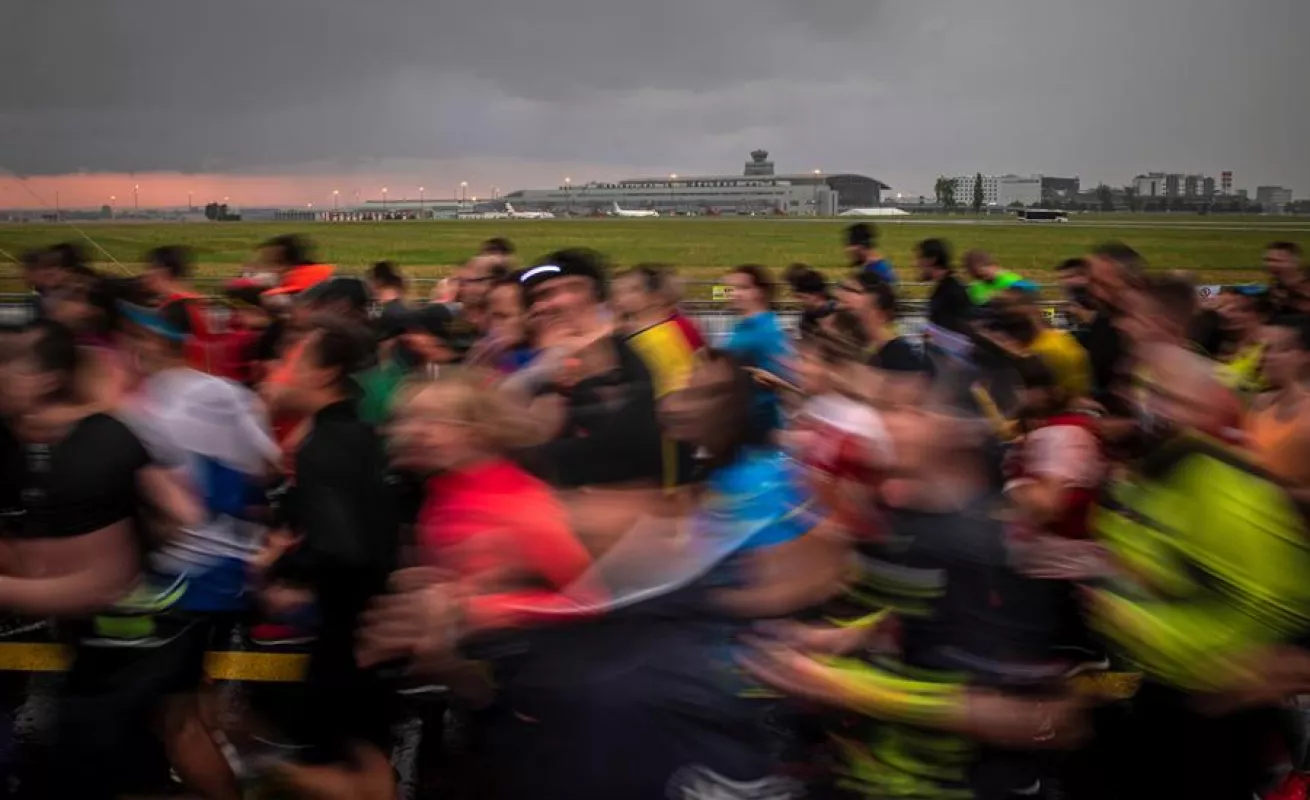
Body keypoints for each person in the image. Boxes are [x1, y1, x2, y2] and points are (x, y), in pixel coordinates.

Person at [1083, 345, 1310, 800]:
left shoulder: (1227, 489)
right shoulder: (1152, 474)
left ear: (1212, 408)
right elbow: (1147, 558)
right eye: (1146, 393)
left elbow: (1268, 606)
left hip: (1208, 708)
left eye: (1169, 398)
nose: (1151, 408)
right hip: (1158, 689)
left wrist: (1133, 618)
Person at [0, 319, 202, 799]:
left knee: (102, 757)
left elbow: (96, 582)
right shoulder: (76, 434)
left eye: (6, 366)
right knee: (164, 741)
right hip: (138, 623)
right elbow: (183, 512)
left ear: (45, 378)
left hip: (133, 636)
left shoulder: (92, 447)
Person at [117, 300, 281, 800]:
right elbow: (268, 466)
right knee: (197, 693)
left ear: (147, 343)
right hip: (230, 567)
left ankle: (225, 779)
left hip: (176, 576)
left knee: (175, 718)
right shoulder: (225, 392)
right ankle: (247, 764)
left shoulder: (136, 409)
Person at [256, 316, 399, 796]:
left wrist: (282, 571)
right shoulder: (352, 431)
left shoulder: (325, 447)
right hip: (370, 627)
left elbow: (343, 546)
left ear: (323, 374)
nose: (278, 368)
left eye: (291, 359)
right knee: (366, 755)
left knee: (345, 767)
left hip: (348, 634)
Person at [513, 249, 665, 489]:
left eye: (572, 289)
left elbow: (622, 449)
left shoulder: (624, 359)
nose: (554, 303)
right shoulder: (545, 367)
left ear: (599, 300)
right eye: (542, 295)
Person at [612, 265, 702, 489]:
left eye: (632, 290)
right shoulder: (633, 336)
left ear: (652, 297)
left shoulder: (662, 338)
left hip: (664, 439)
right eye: (618, 291)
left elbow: (680, 391)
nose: (621, 297)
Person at [1245, 314, 1310, 500]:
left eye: (1280, 349)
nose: (1267, 357)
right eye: (1263, 348)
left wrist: (1273, 492)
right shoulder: (1259, 405)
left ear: (1304, 356)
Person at [724, 264, 792, 433]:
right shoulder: (742, 326)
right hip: (741, 422)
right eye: (730, 288)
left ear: (760, 291)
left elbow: (787, 379)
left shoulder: (767, 331)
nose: (734, 294)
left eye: (743, 288)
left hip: (761, 427)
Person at [835, 271, 925, 375]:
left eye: (850, 290)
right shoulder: (858, 351)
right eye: (842, 288)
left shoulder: (900, 358)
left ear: (876, 302)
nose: (839, 294)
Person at [917, 238, 972, 334]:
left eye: (920, 258)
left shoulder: (950, 292)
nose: (917, 264)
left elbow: (949, 333)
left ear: (932, 260)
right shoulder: (946, 286)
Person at [964, 249, 1034, 305]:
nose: (981, 278)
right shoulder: (975, 288)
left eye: (983, 273)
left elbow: (1031, 289)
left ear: (994, 266)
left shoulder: (1010, 280)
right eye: (977, 276)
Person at [784, 263, 835, 339]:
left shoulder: (838, 316)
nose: (796, 301)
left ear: (817, 295)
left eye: (801, 297)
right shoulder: (806, 317)